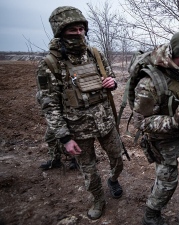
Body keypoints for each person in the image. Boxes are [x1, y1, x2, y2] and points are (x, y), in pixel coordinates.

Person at [35, 6, 124, 220]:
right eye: (72, 30)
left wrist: (112, 83)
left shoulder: (95, 54)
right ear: (60, 31)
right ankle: (98, 200)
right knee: (89, 169)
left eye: (81, 29)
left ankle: (113, 179)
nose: (78, 33)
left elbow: (110, 78)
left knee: (118, 158)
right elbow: (50, 105)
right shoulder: (50, 64)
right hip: (77, 130)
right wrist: (65, 138)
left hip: (105, 122)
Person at [132, 30, 179, 225]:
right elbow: (141, 123)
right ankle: (151, 214)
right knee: (167, 180)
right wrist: (174, 121)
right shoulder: (150, 83)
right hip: (162, 138)